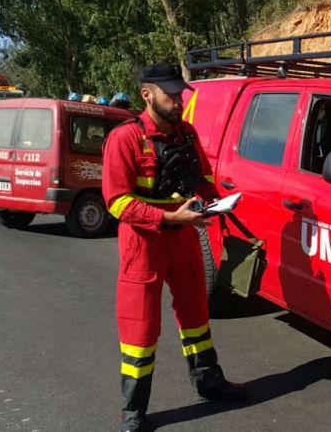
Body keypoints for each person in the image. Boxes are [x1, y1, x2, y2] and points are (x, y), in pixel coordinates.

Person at [102, 63, 246, 432]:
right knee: (141, 329)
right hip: (144, 244)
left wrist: (219, 203)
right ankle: (133, 410)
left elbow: (205, 178)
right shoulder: (125, 138)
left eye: (180, 93)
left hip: (185, 238)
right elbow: (116, 202)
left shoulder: (187, 133)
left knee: (196, 314)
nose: (179, 100)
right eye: (171, 94)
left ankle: (209, 382)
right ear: (147, 96)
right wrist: (167, 219)